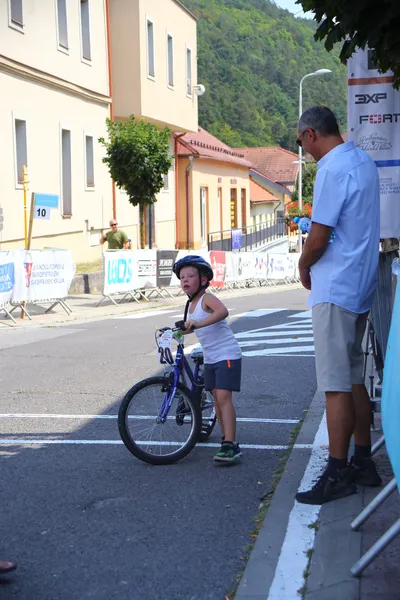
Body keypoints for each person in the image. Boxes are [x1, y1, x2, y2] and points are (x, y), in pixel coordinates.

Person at [295, 106, 381, 505]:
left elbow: (319, 237)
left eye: (301, 142)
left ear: (311, 134)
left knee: (334, 384)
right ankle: (363, 460)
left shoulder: (330, 169)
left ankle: (336, 469)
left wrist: (303, 263)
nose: (304, 150)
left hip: (334, 285)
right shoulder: (363, 161)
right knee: (352, 378)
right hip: (361, 282)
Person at [172, 255, 242, 463]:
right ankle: (225, 440)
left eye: (190, 276)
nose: (185, 280)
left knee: (223, 398)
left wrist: (198, 325)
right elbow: (189, 327)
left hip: (226, 353)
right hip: (211, 357)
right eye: (182, 277)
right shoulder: (190, 305)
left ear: (203, 280)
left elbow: (223, 312)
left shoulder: (206, 298)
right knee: (216, 402)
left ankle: (231, 445)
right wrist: (176, 333)